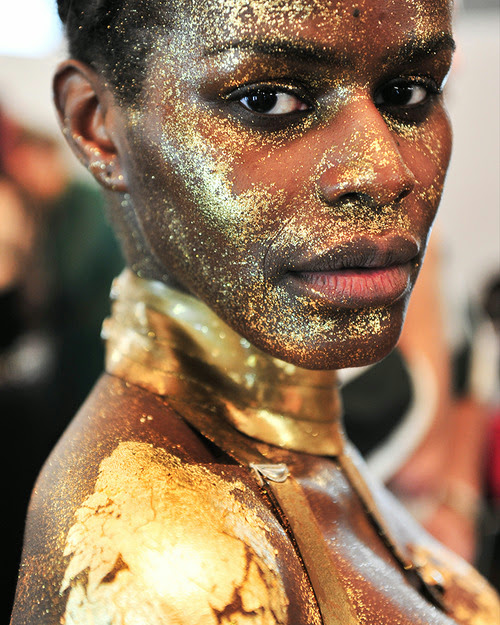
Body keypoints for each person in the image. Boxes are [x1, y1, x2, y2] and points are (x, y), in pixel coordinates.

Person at [10, 0, 500, 623]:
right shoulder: (171, 565)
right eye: (267, 100)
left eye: (409, 92)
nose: (384, 171)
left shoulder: (299, 449)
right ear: (97, 124)